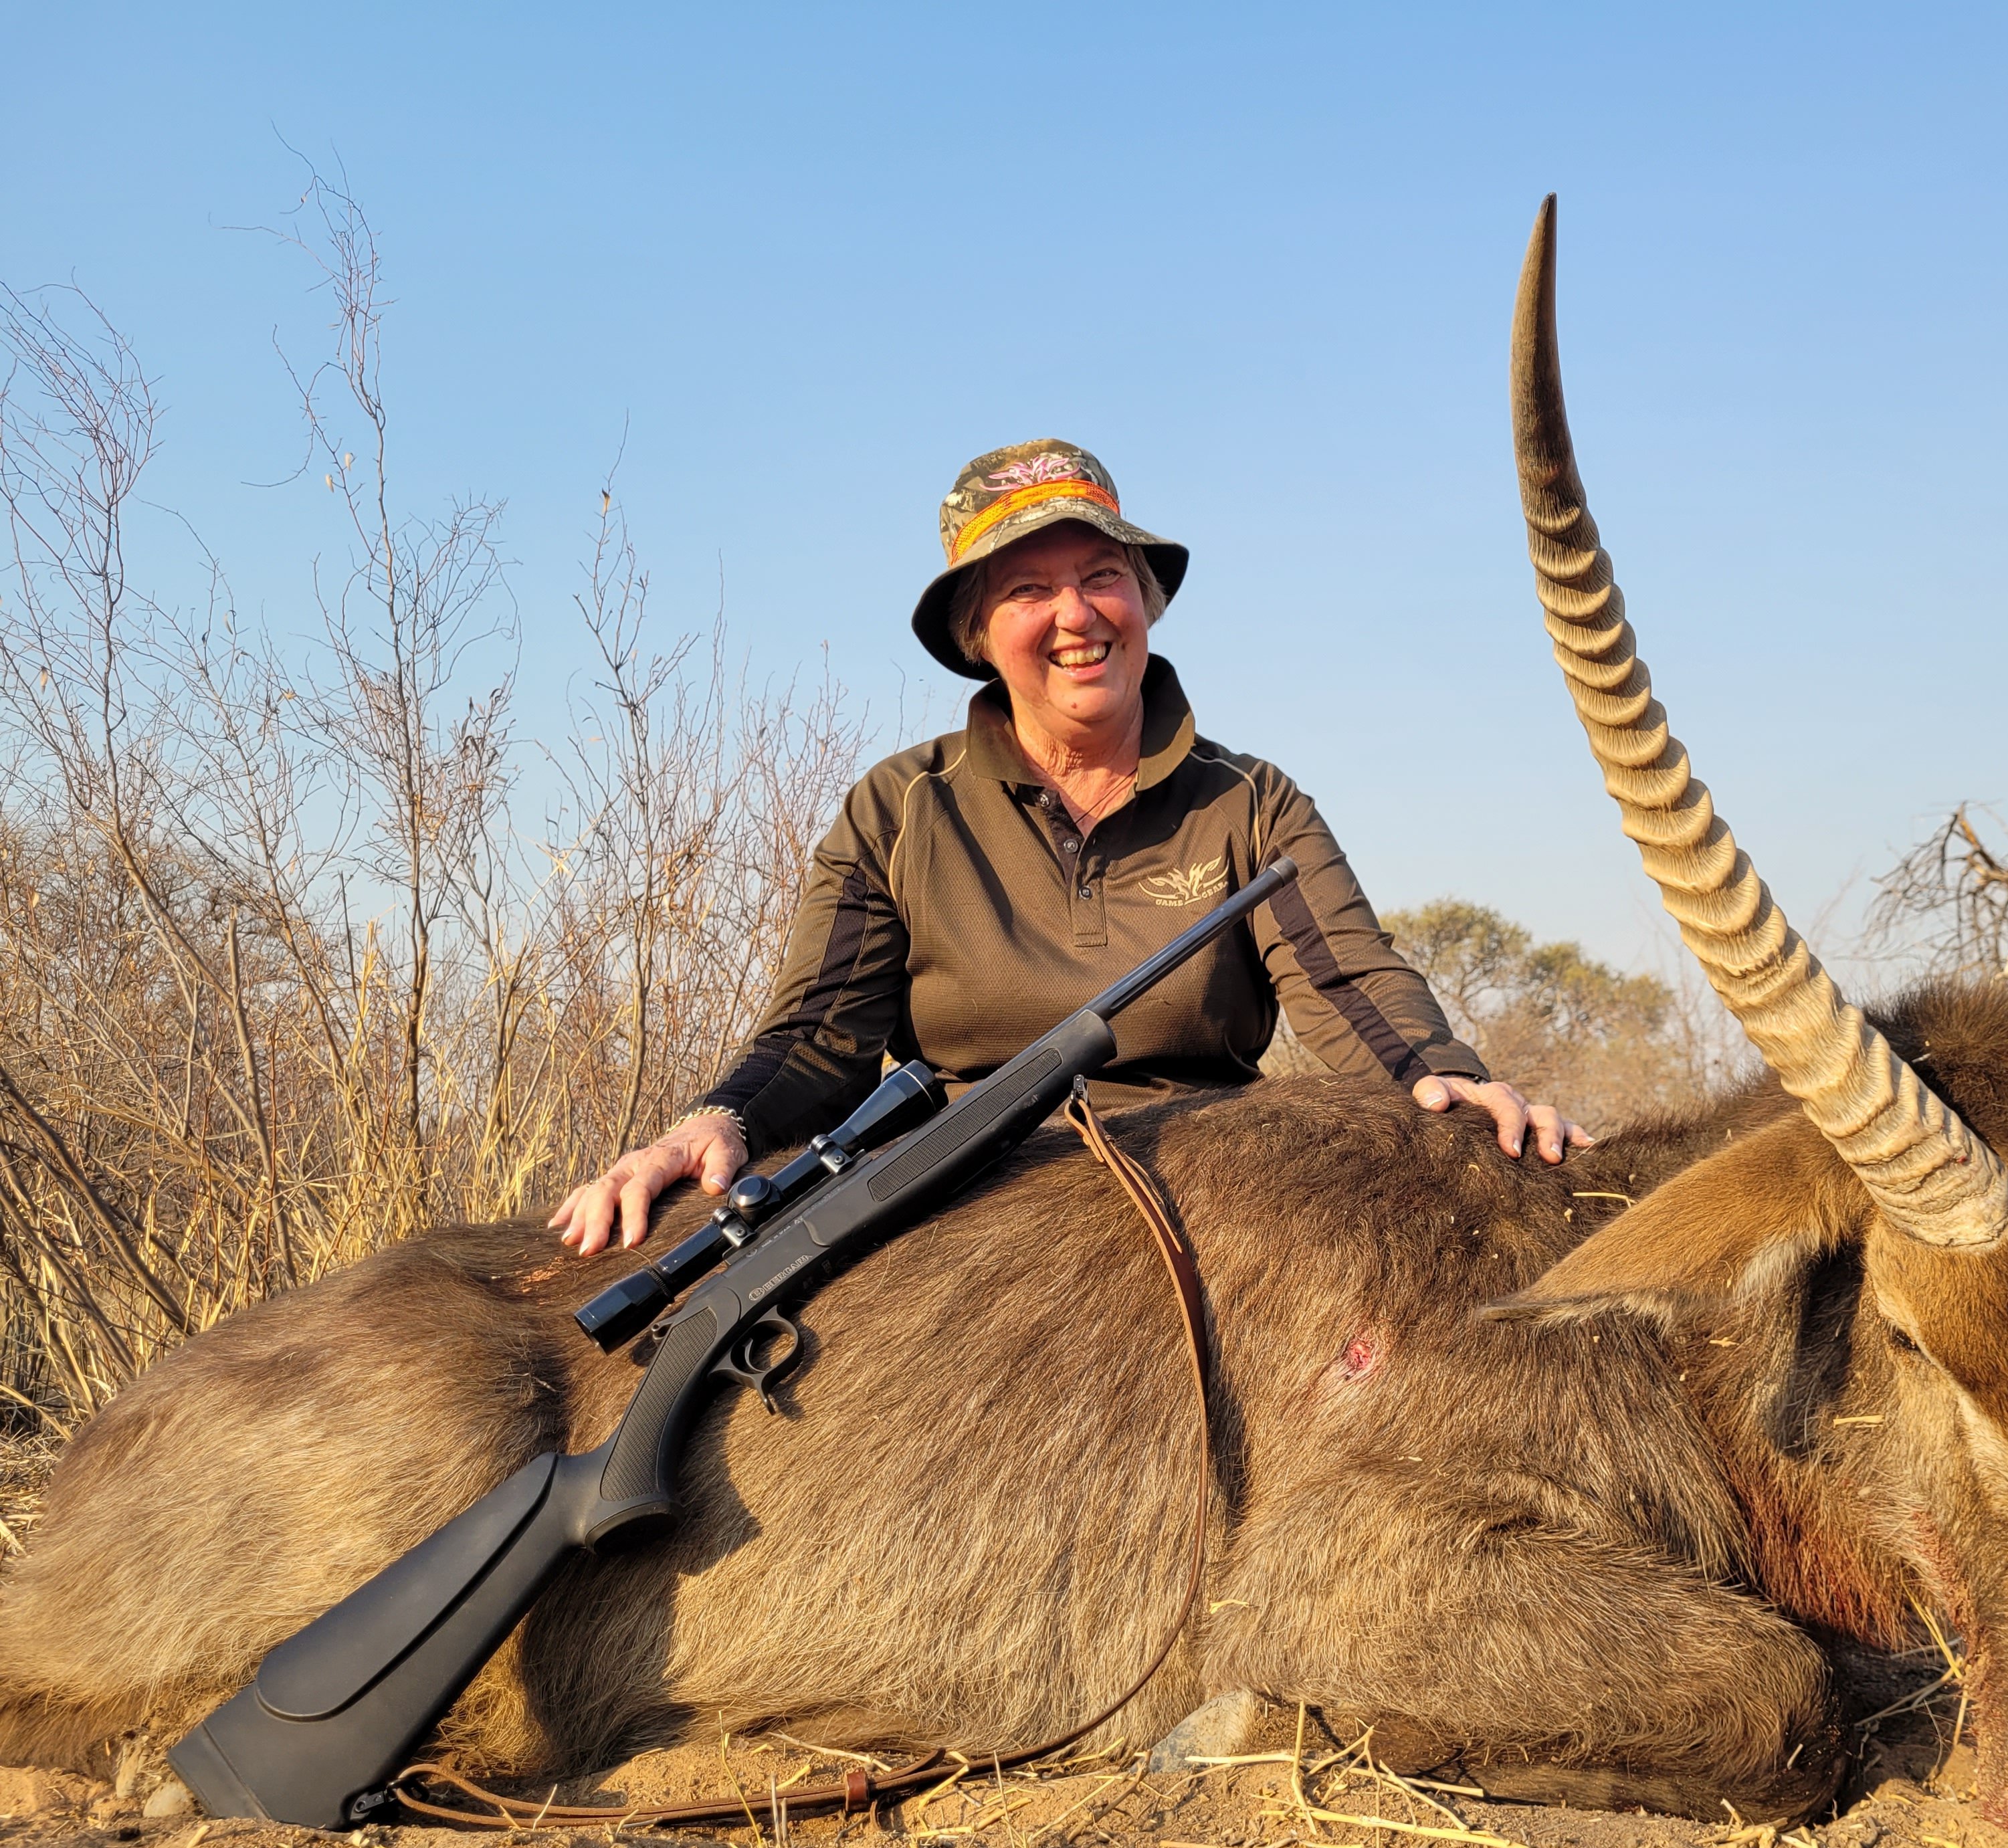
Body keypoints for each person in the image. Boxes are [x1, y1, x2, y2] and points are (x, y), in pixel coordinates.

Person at [553, 439, 1592, 1255]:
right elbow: (819, 1037)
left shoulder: (1253, 804)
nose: (1075, 615)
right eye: (1025, 590)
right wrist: (719, 1118)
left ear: (1146, 599)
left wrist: (1450, 1082)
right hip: (963, 1210)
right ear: (975, 632)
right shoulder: (898, 807)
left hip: (1219, 1195)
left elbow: (1356, 991)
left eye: (1103, 574)